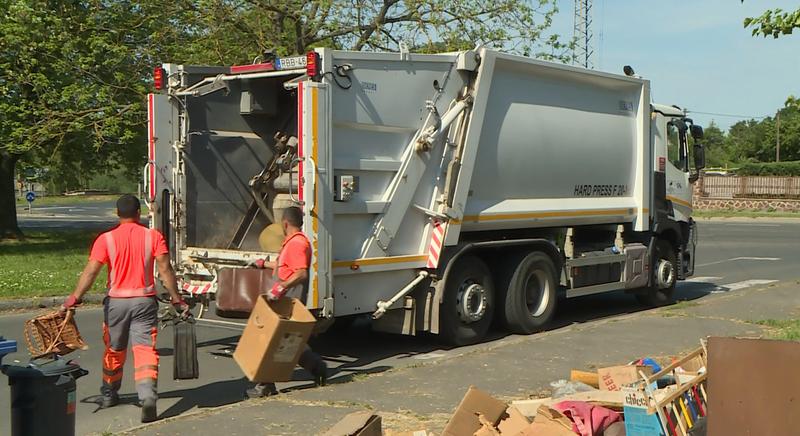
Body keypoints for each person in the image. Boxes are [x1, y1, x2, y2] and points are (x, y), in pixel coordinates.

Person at [61, 194, 188, 423]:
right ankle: (148, 396)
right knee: (145, 349)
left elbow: (91, 272)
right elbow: (165, 269)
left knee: (114, 349)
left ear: (118, 214)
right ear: (139, 214)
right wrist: (177, 299)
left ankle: (109, 394)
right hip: (145, 301)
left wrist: (74, 298)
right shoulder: (153, 236)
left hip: (116, 304)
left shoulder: (105, 239)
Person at [245, 206, 328, 398]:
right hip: (284, 298)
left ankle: (264, 386)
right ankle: (317, 367)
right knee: (287, 340)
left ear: (285, 223)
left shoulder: (298, 244)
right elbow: (286, 266)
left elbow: (300, 272)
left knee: (271, 339)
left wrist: (281, 287)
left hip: (288, 298)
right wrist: (262, 264)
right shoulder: (292, 243)